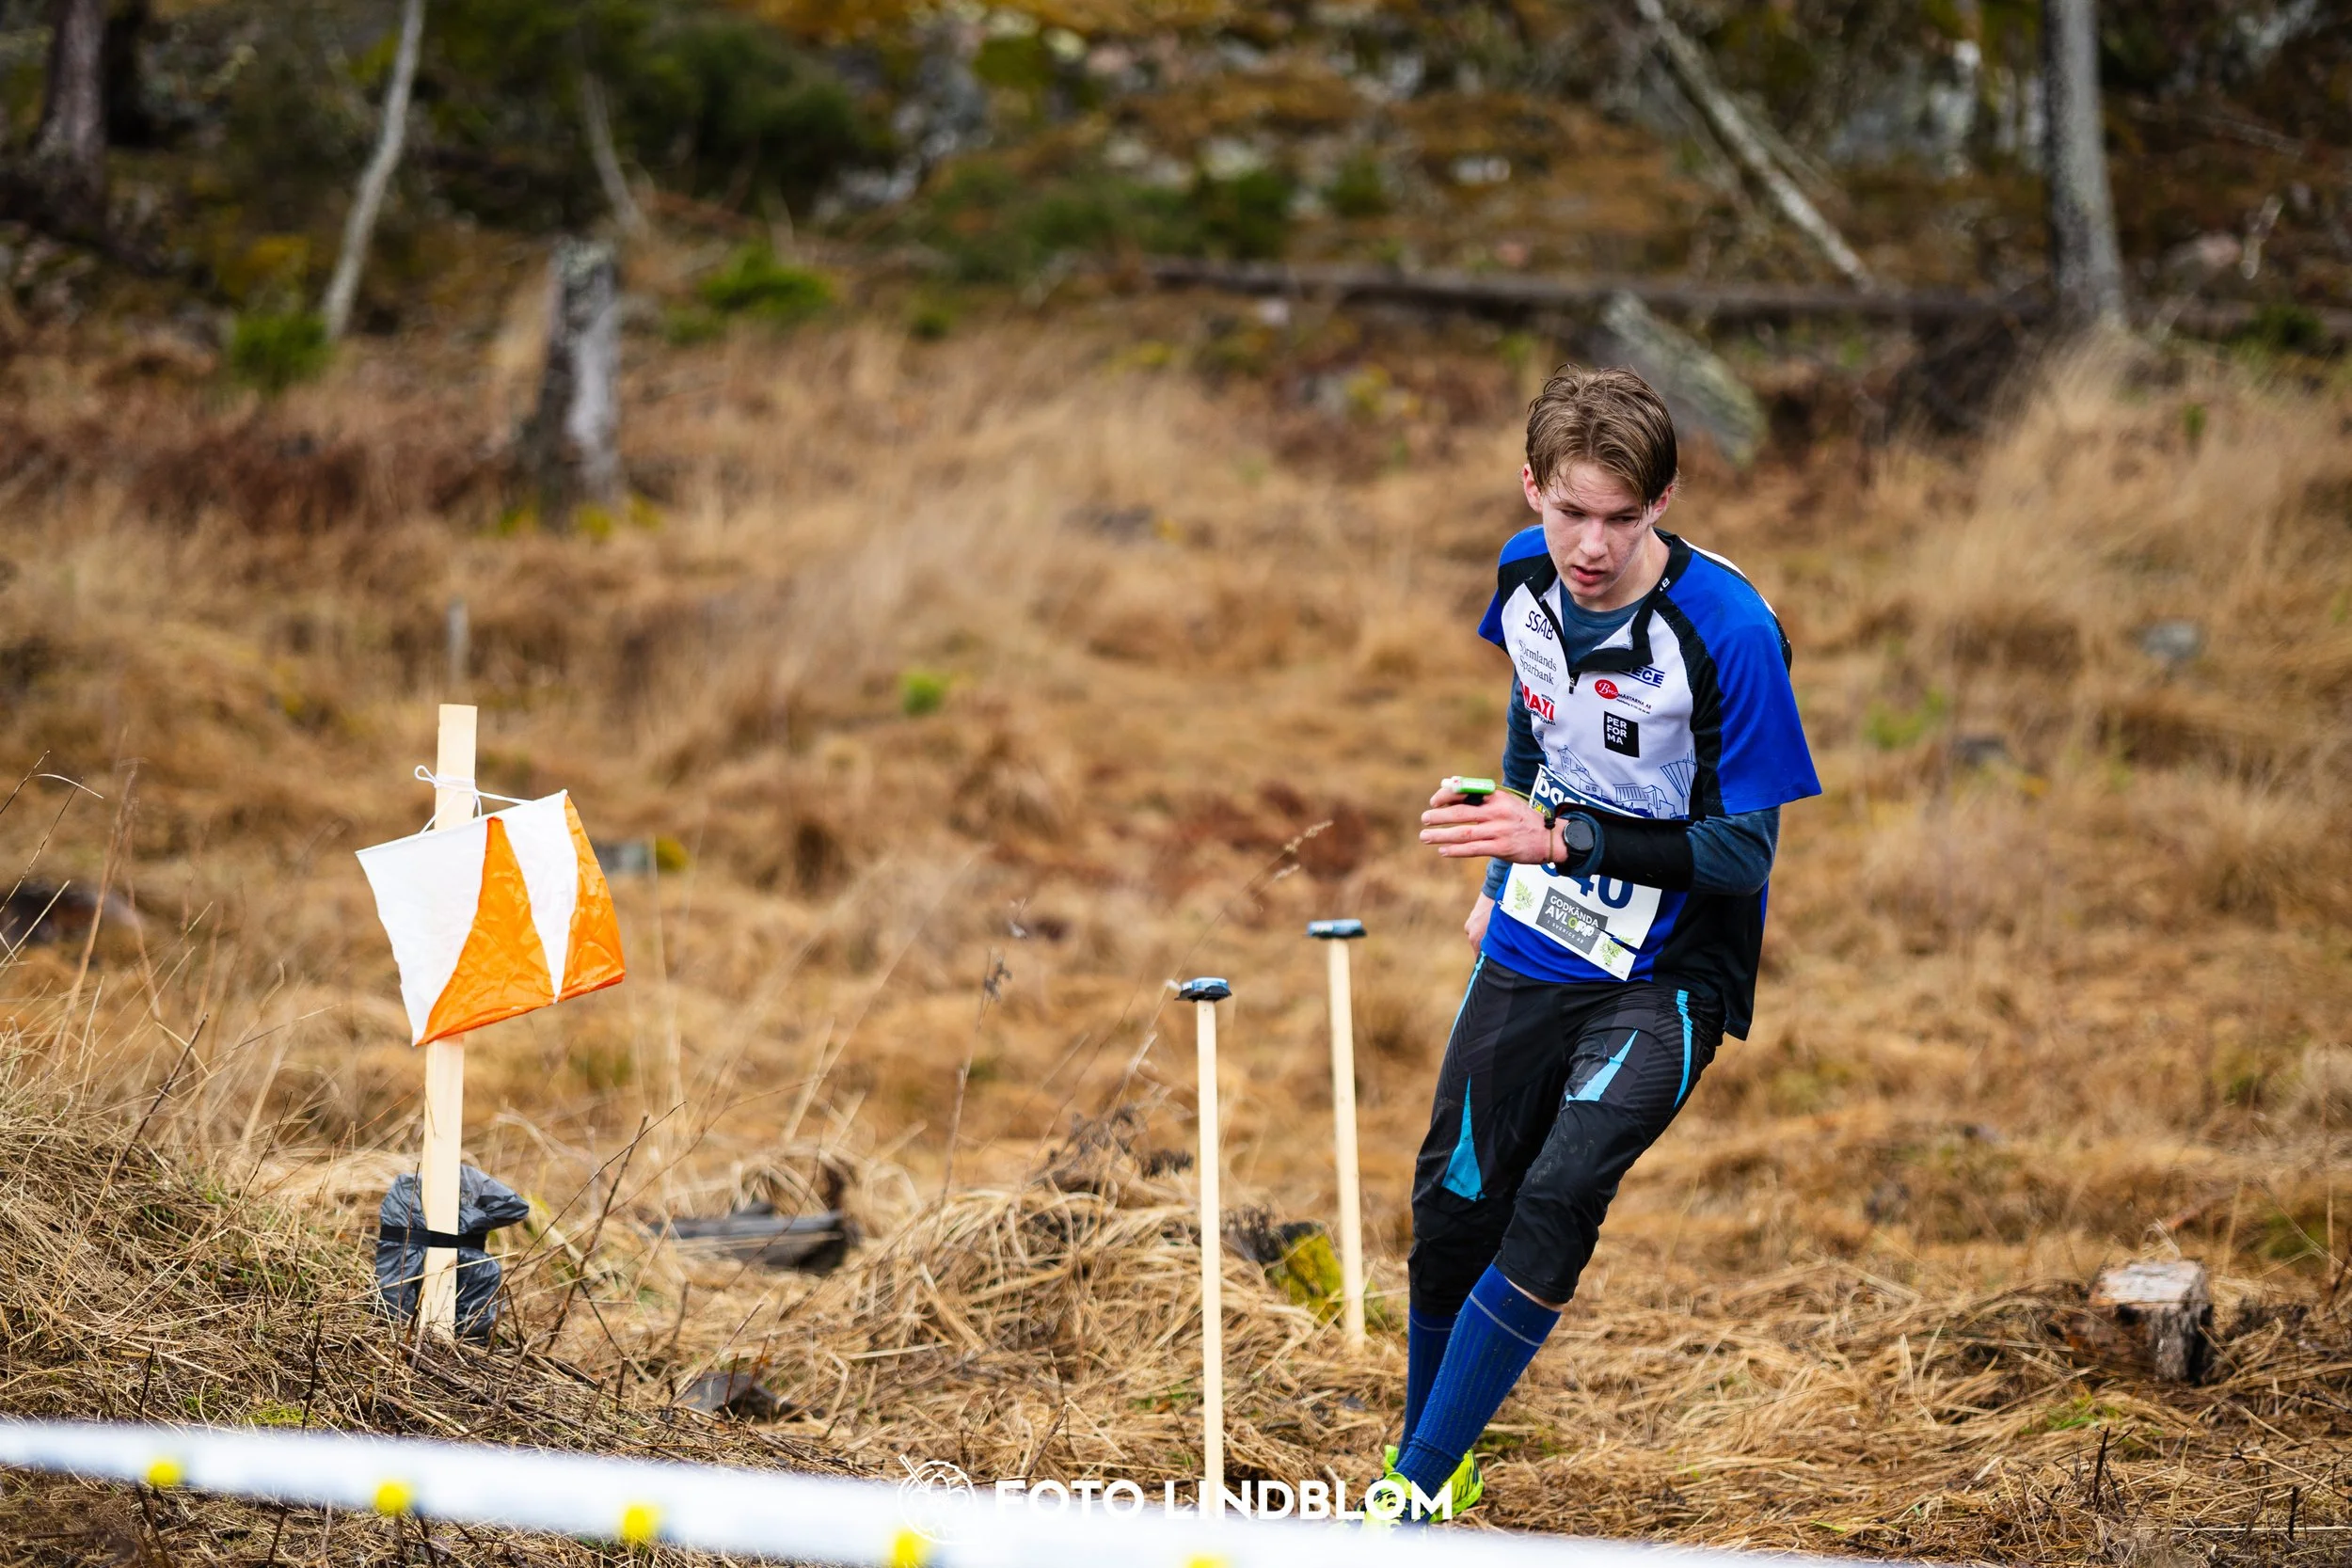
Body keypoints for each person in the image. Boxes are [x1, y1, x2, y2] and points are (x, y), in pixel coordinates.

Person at [1382, 365, 1820, 1520]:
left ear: (1663, 501)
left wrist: (1560, 837)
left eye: (1622, 519)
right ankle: (1442, 1451)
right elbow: (1535, 728)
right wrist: (1498, 866)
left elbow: (1743, 854)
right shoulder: (1522, 579)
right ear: (1531, 488)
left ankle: (1410, 1491)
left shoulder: (1728, 628)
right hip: (1538, 932)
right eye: (1569, 510)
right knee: (1454, 1200)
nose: (1590, 545)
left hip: (1676, 963)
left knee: (1561, 1186)